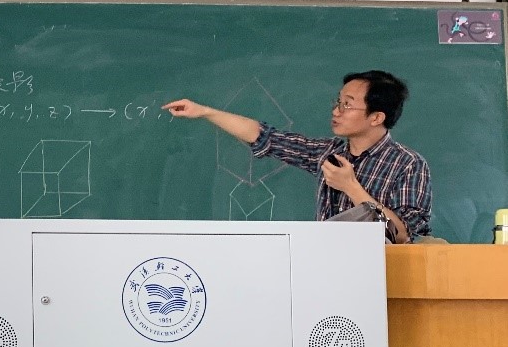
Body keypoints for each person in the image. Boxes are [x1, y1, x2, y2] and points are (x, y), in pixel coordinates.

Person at [163, 70, 432, 243]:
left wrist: (351, 187)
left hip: (382, 280)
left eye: (347, 105)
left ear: (376, 117)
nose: (336, 111)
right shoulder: (328, 153)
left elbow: (403, 235)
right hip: (326, 270)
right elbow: (265, 137)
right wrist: (206, 112)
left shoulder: (408, 164)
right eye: (338, 102)